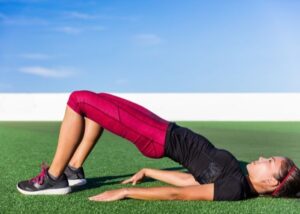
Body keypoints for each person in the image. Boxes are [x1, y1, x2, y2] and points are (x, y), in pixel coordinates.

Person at [17, 90, 300, 201]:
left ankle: (54, 178)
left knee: (78, 100)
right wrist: (149, 171)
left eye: (269, 161)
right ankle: (75, 169)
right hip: (163, 128)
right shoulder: (238, 177)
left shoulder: (236, 188)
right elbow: (193, 177)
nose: (262, 157)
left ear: (272, 184)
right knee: (98, 101)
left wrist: (126, 191)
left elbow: (181, 193)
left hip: (154, 136)